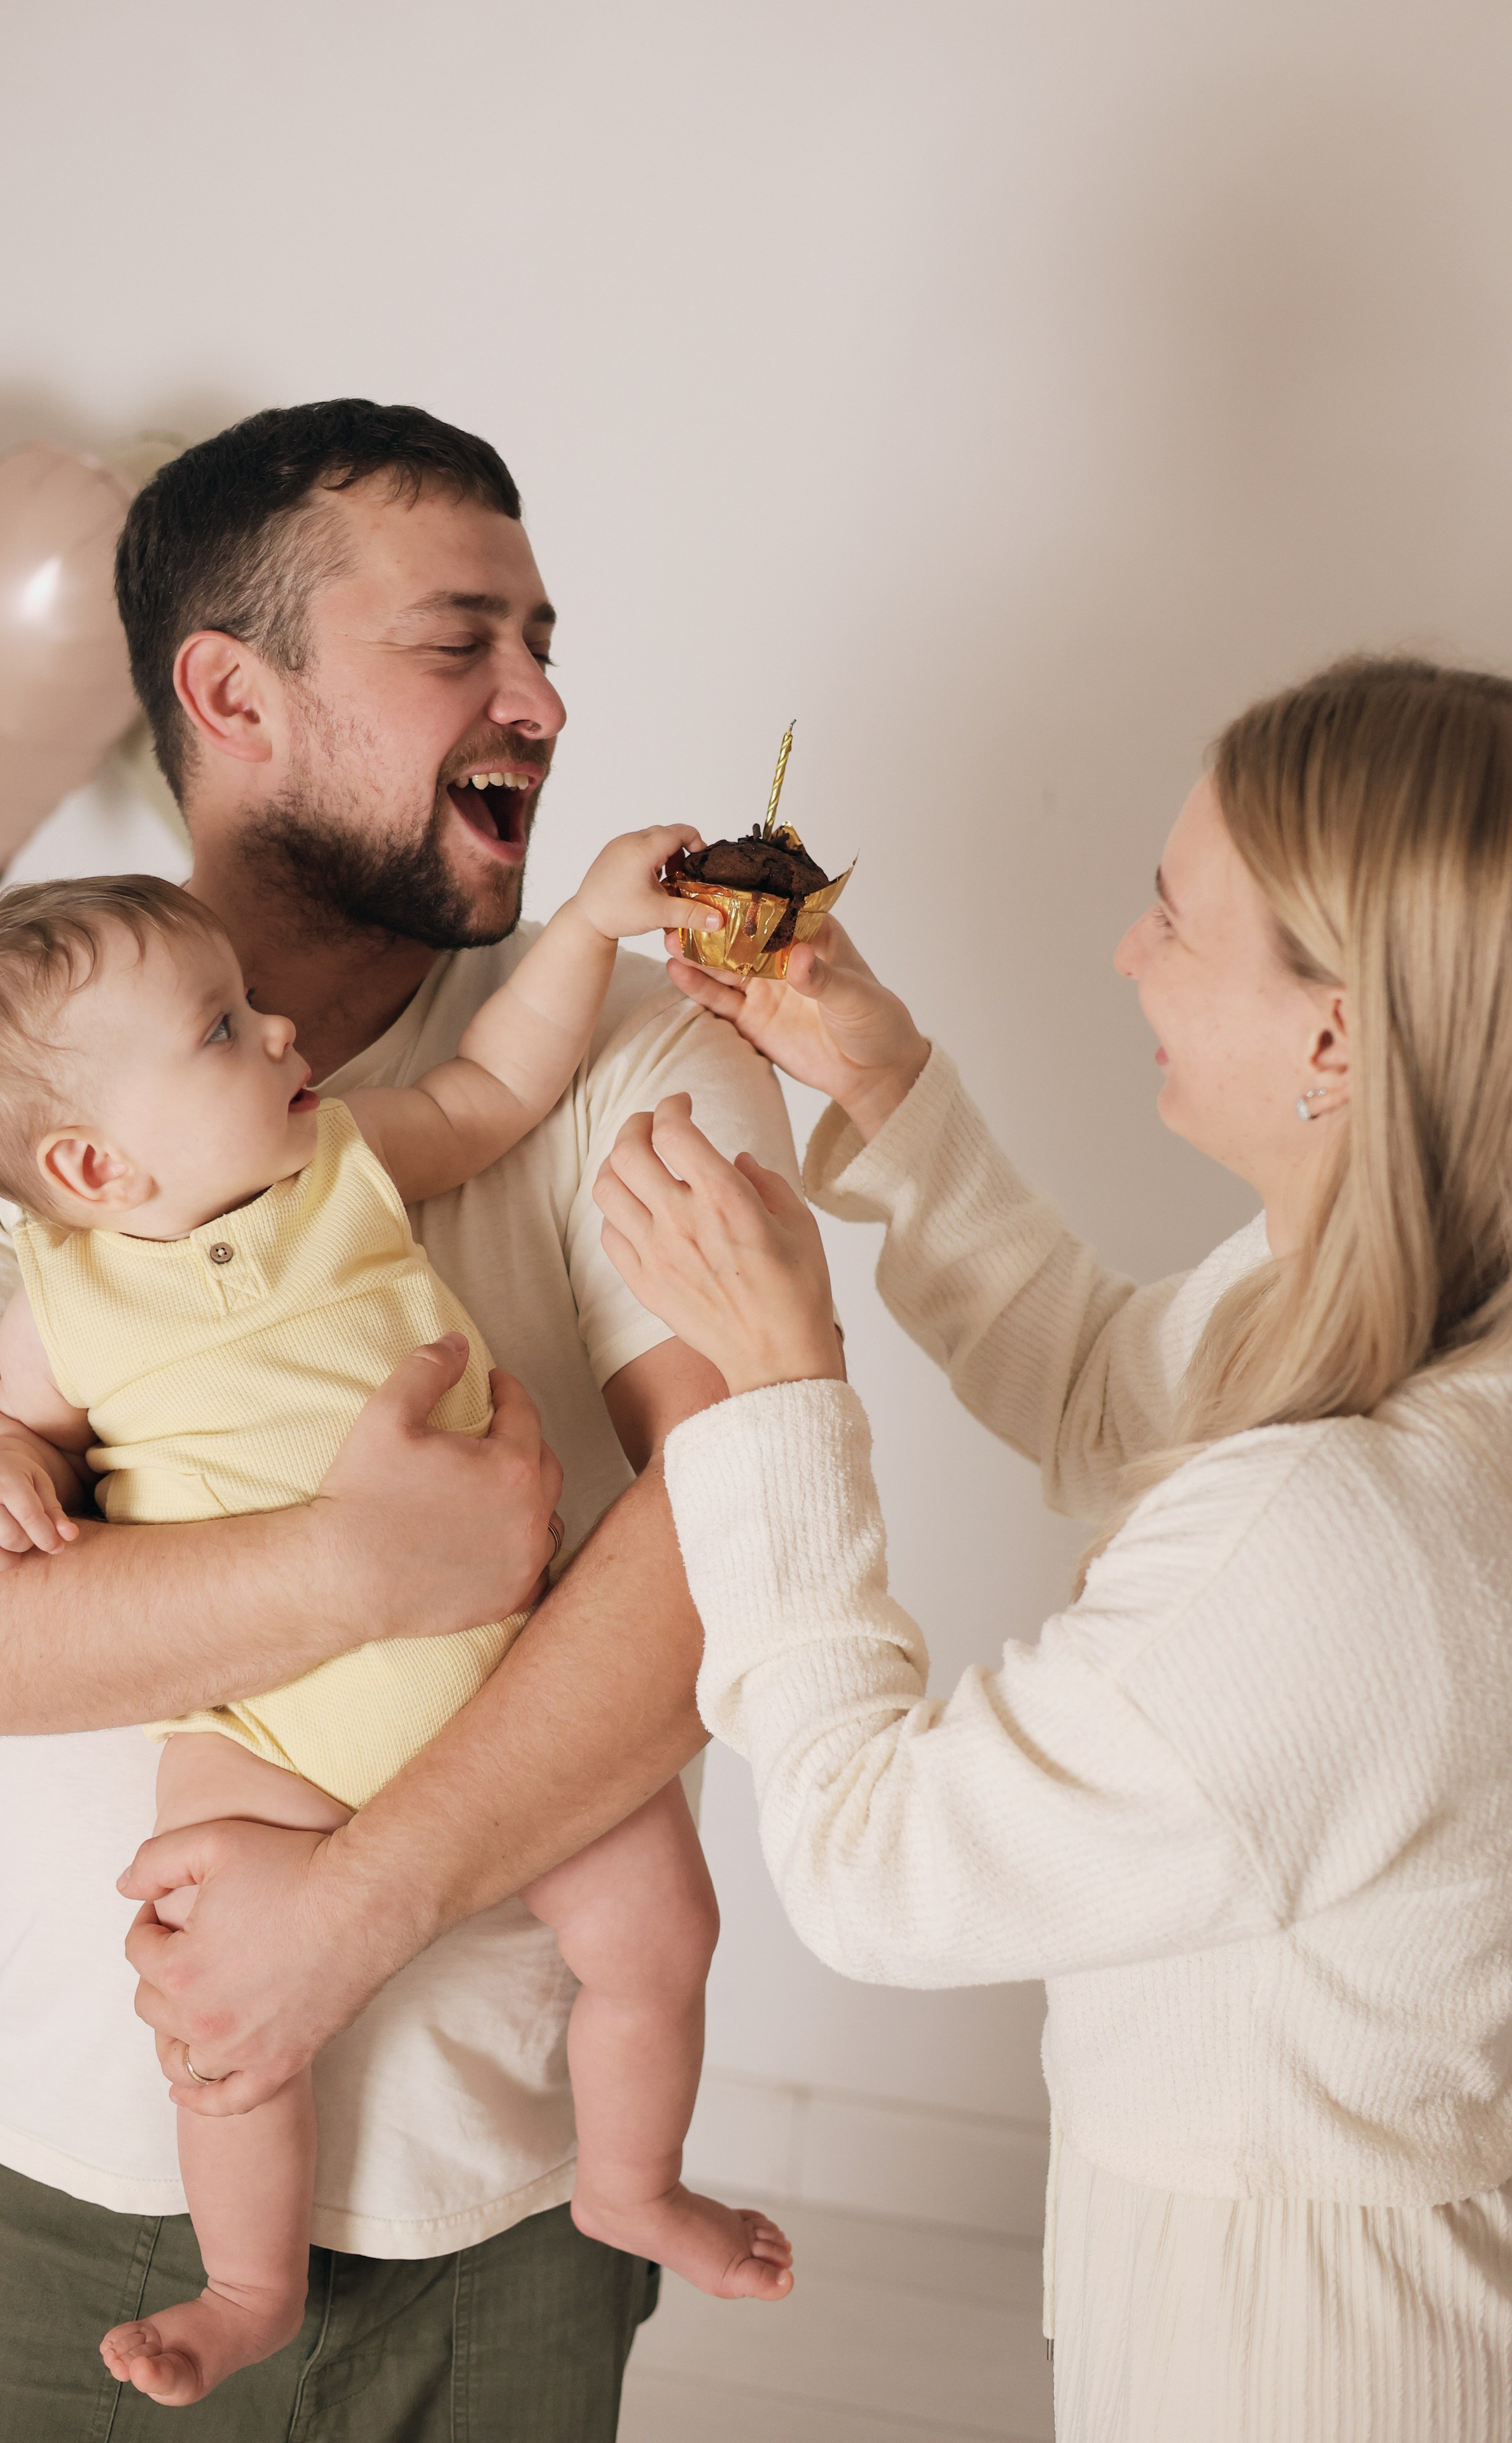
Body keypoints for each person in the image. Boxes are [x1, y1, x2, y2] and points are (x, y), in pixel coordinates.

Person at [0, 399, 799, 2441]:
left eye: (544, 638)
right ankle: (241, 2271)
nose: (541, 698)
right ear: (236, 692)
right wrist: (341, 1566)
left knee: (668, 1920)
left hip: (520, 2209)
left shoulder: (633, 1054)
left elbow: (748, 1531)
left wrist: (344, 1923)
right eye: (458, 639)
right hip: (44, 2176)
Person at [586, 654, 1512, 2442]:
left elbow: (872, 1866)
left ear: (1335, 1037)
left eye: (1175, 914)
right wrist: (892, 1091)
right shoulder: (1418, 1313)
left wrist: (775, 1392)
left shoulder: (1342, 1540)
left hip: (1304, 2361)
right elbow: (1109, 1400)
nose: (1125, 953)